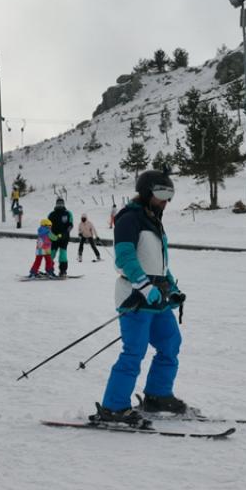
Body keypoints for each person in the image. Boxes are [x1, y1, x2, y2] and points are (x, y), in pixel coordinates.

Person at [94, 170, 187, 426]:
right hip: (135, 297)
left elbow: (159, 263)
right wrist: (145, 286)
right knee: (134, 351)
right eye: (161, 194)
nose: (165, 201)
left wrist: (171, 287)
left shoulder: (153, 219)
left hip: (156, 298)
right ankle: (113, 407)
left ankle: (158, 395)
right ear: (146, 193)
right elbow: (125, 258)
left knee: (170, 343)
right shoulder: (129, 218)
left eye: (169, 196)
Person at [47, 198, 75, 276]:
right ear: (56, 204)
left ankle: (63, 271)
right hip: (53, 238)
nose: (60, 205)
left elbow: (70, 225)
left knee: (63, 254)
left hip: (64, 238)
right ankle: (49, 269)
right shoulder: (51, 214)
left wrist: (65, 234)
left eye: (61, 203)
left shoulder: (68, 213)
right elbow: (47, 226)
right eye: (58, 203)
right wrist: (51, 235)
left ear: (64, 204)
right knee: (51, 254)